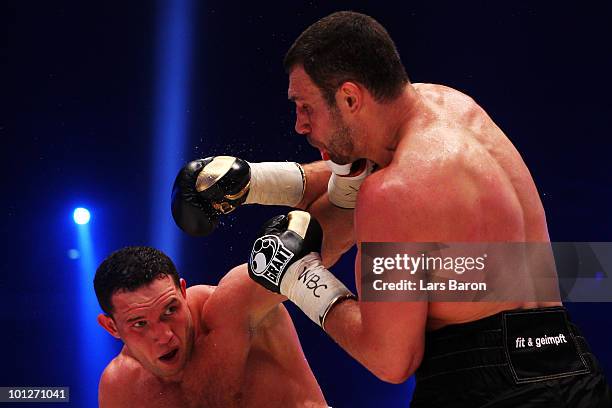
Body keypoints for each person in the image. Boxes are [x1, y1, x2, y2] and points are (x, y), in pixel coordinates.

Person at [171, 11, 610, 407]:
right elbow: (352, 176)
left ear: (349, 98)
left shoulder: (394, 193)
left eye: (305, 107)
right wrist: (254, 182)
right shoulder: (449, 105)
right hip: (568, 361)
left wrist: (301, 279)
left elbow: (391, 359)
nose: (299, 124)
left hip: (485, 388)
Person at [94, 246, 327, 407]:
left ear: (182, 292)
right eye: (140, 323)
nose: (164, 335)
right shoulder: (121, 387)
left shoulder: (235, 307)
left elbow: (317, 247)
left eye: (170, 310)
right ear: (111, 327)